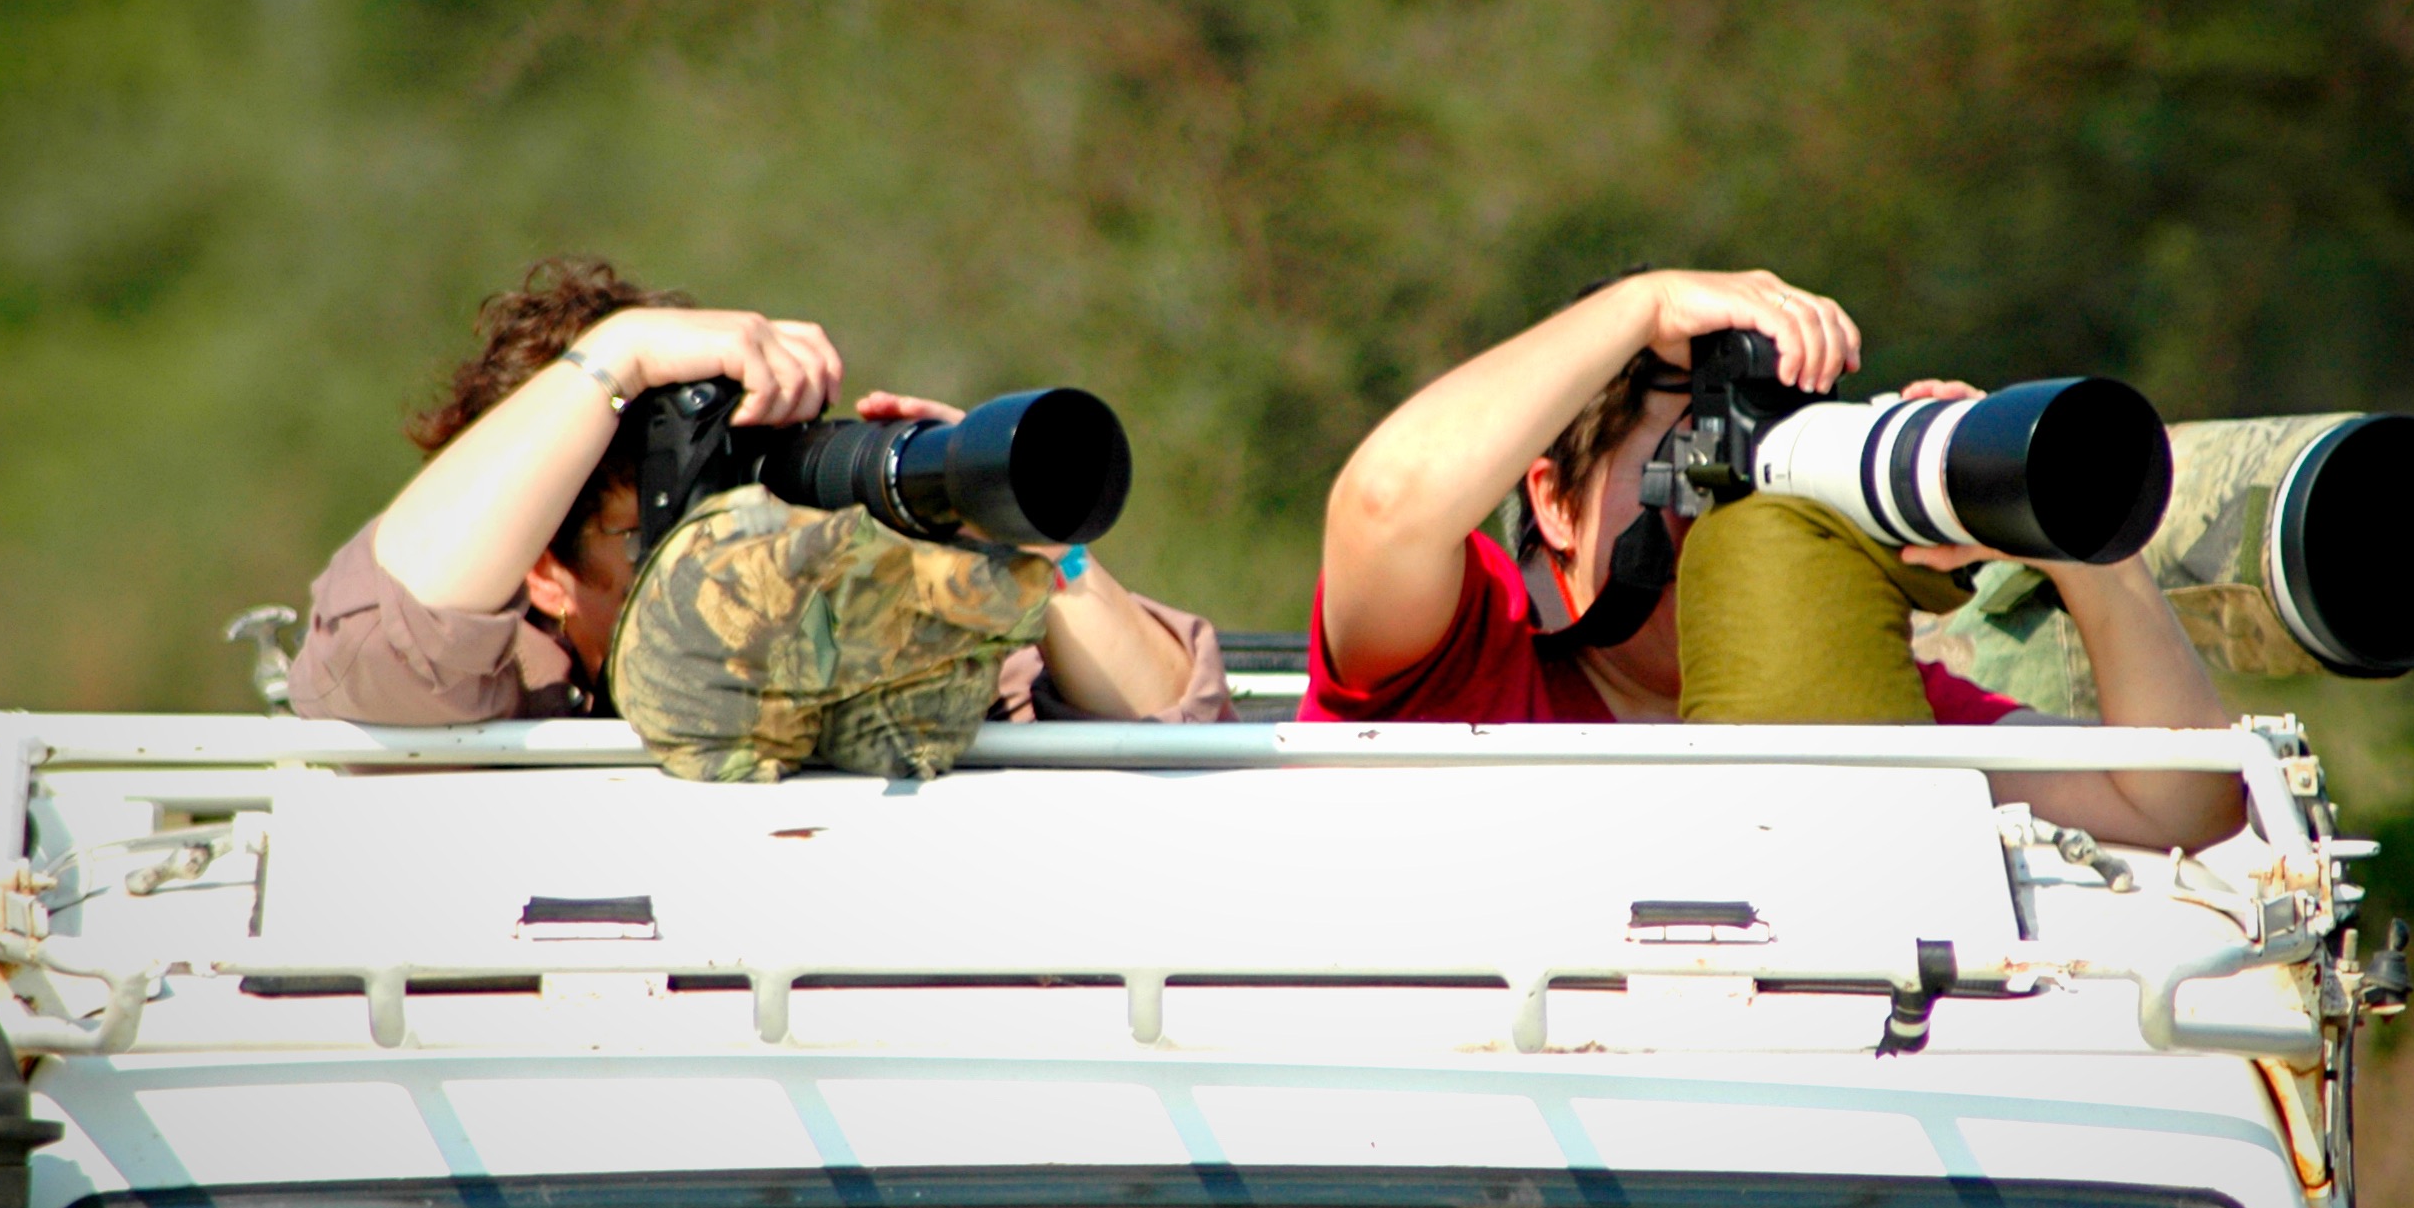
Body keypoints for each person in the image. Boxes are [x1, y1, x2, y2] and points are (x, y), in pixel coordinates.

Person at [1306, 267, 2245, 850]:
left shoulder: (1845, 700)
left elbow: (2180, 805)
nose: (1729, 508)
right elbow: (1385, 508)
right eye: (1692, 456)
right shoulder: (1464, 654)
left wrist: (2072, 543)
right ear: (1552, 499)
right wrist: (1647, 306)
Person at [290, 258, 1231, 727]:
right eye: (679, 523)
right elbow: (384, 651)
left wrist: (1009, 526)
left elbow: (1167, 732)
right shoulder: (508, 685)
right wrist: (618, 354)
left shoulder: (861, 625)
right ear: (544, 571)